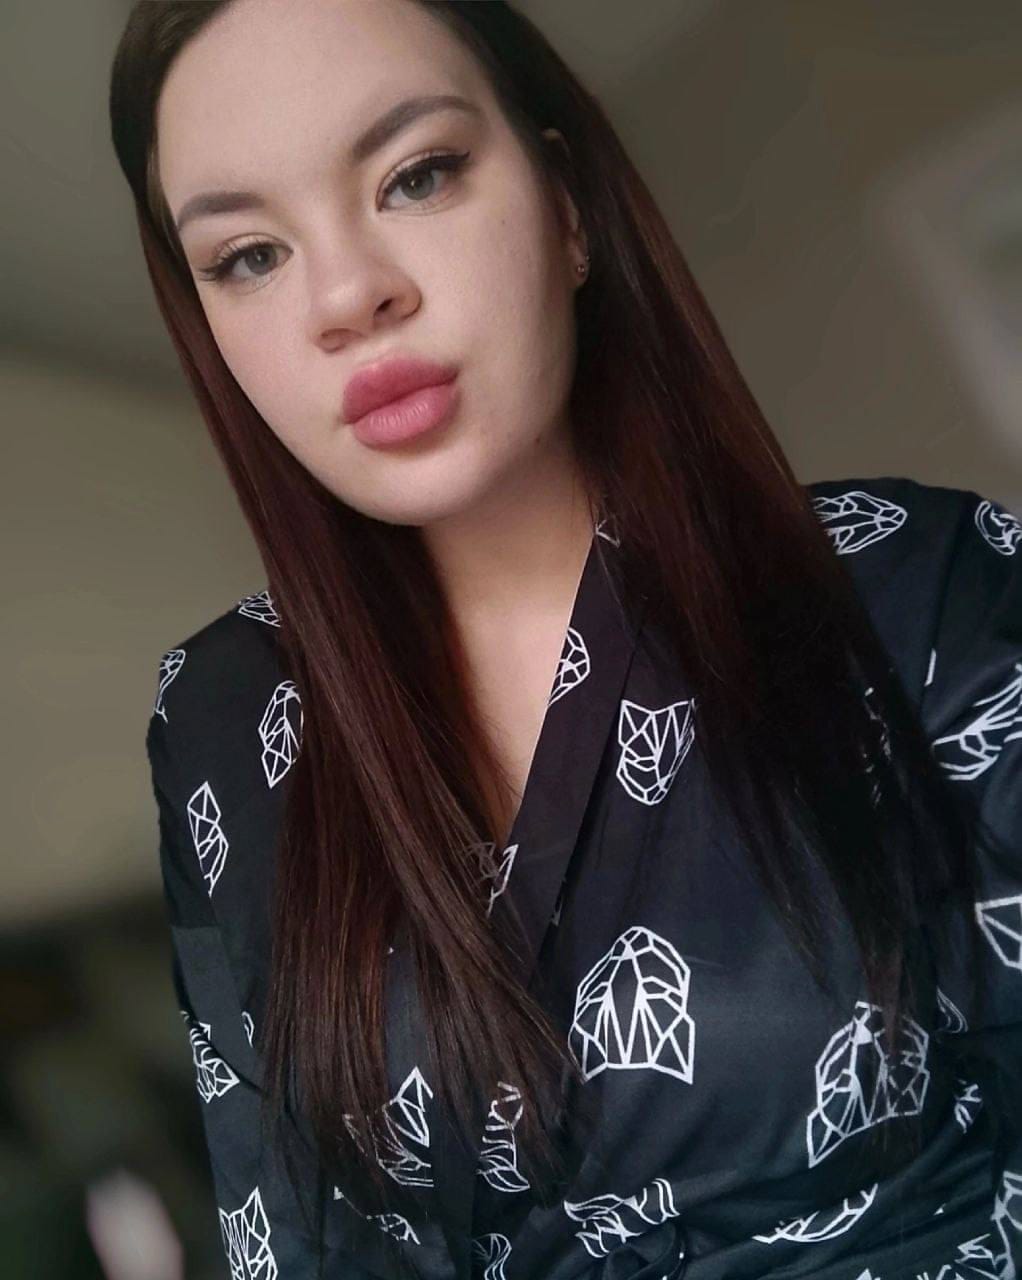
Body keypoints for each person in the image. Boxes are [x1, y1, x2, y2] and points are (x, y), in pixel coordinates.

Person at [109, 2, 1022, 1277]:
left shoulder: (928, 587)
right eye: (248, 254)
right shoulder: (218, 716)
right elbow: (290, 1236)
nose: (347, 295)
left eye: (416, 174)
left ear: (570, 210)